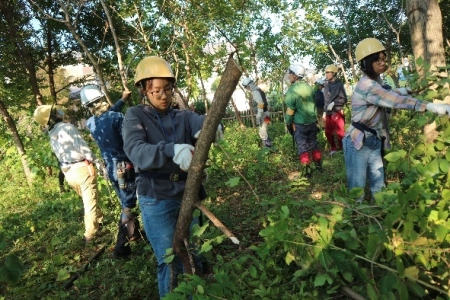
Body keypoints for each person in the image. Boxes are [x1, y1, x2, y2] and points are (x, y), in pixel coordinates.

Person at [122, 56, 223, 298]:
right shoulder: (135, 116)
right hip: (156, 197)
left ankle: (193, 295)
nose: (163, 96)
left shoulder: (182, 116)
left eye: (167, 89)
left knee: (192, 252)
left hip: (186, 193)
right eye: (156, 90)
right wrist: (171, 150)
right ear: (144, 90)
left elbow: (203, 122)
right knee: (168, 258)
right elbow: (136, 150)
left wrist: (212, 128)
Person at [343, 37, 450, 203]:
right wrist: (432, 107)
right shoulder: (367, 86)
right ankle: (354, 219)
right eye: (376, 60)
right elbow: (392, 99)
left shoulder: (376, 81)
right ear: (365, 63)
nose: (382, 63)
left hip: (374, 139)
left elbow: (388, 91)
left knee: (378, 182)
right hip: (359, 141)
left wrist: (406, 90)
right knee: (357, 187)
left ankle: (379, 214)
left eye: (383, 58)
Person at [80, 85, 141, 259]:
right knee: (129, 205)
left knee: (125, 201)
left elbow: (107, 116)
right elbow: (128, 141)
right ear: (102, 98)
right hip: (124, 166)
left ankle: (134, 234)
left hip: (110, 167)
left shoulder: (91, 122)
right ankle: (121, 248)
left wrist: (122, 100)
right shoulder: (117, 118)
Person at [33, 104, 103, 244]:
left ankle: (99, 221)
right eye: (55, 111)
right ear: (53, 116)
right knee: (89, 203)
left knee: (89, 199)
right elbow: (82, 147)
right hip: (82, 169)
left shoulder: (52, 134)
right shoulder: (68, 128)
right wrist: (97, 161)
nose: (59, 111)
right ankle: (90, 235)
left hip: (69, 173)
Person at [284, 64, 322, 174]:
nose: (289, 76)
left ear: (295, 76)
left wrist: (289, 123)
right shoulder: (309, 88)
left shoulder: (292, 91)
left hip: (299, 124)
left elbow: (290, 110)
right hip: (312, 123)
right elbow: (314, 105)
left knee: (302, 147)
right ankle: (318, 166)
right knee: (314, 144)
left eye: (290, 74)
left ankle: (306, 171)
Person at [322, 64, 347, 154]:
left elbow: (344, 99)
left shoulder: (339, 85)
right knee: (328, 132)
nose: (327, 74)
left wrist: (334, 103)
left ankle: (343, 149)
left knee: (340, 132)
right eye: (326, 73)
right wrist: (324, 112)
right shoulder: (326, 85)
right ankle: (333, 148)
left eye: (329, 73)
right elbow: (325, 100)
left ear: (334, 73)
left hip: (337, 111)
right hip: (328, 112)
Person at [242, 77, 272, 147]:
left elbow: (260, 103)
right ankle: (269, 146)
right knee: (264, 130)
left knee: (262, 132)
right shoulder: (258, 90)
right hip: (266, 113)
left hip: (263, 115)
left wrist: (259, 115)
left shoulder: (255, 92)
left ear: (249, 85)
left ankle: (267, 148)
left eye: (247, 87)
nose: (247, 88)